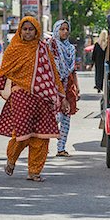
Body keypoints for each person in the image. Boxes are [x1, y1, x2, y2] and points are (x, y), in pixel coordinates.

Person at [0, 16, 70, 182]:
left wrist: (62, 97)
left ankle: (34, 171)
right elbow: (3, 72)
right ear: (20, 30)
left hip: (42, 97)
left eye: (30, 29)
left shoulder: (43, 48)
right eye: (24, 29)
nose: (27, 32)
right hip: (21, 95)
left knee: (42, 134)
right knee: (22, 133)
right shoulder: (14, 48)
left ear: (36, 31)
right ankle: (12, 159)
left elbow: (53, 73)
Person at [49, 20, 80, 157]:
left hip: (68, 86)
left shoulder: (71, 49)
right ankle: (42, 145)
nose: (65, 32)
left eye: (67, 29)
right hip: (54, 85)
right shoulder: (52, 46)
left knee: (66, 117)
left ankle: (61, 148)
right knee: (54, 117)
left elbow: (73, 70)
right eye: (62, 29)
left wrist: (77, 88)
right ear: (56, 30)